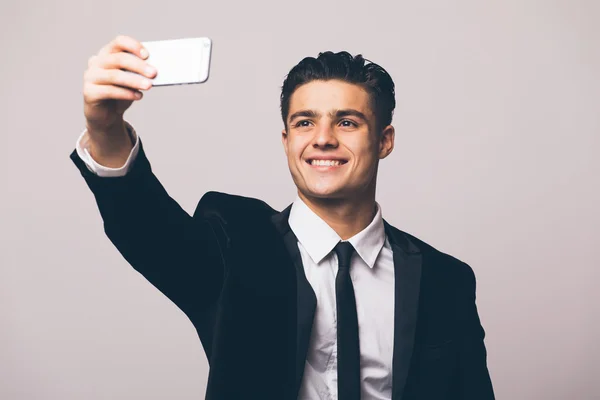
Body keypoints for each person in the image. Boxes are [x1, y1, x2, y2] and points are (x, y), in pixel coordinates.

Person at [70, 35, 495, 400]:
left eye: (347, 122)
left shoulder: (446, 281)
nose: (323, 139)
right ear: (287, 140)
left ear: (384, 141)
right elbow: (149, 230)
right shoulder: (234, 243)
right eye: (305, 122)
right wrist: (106, 130)